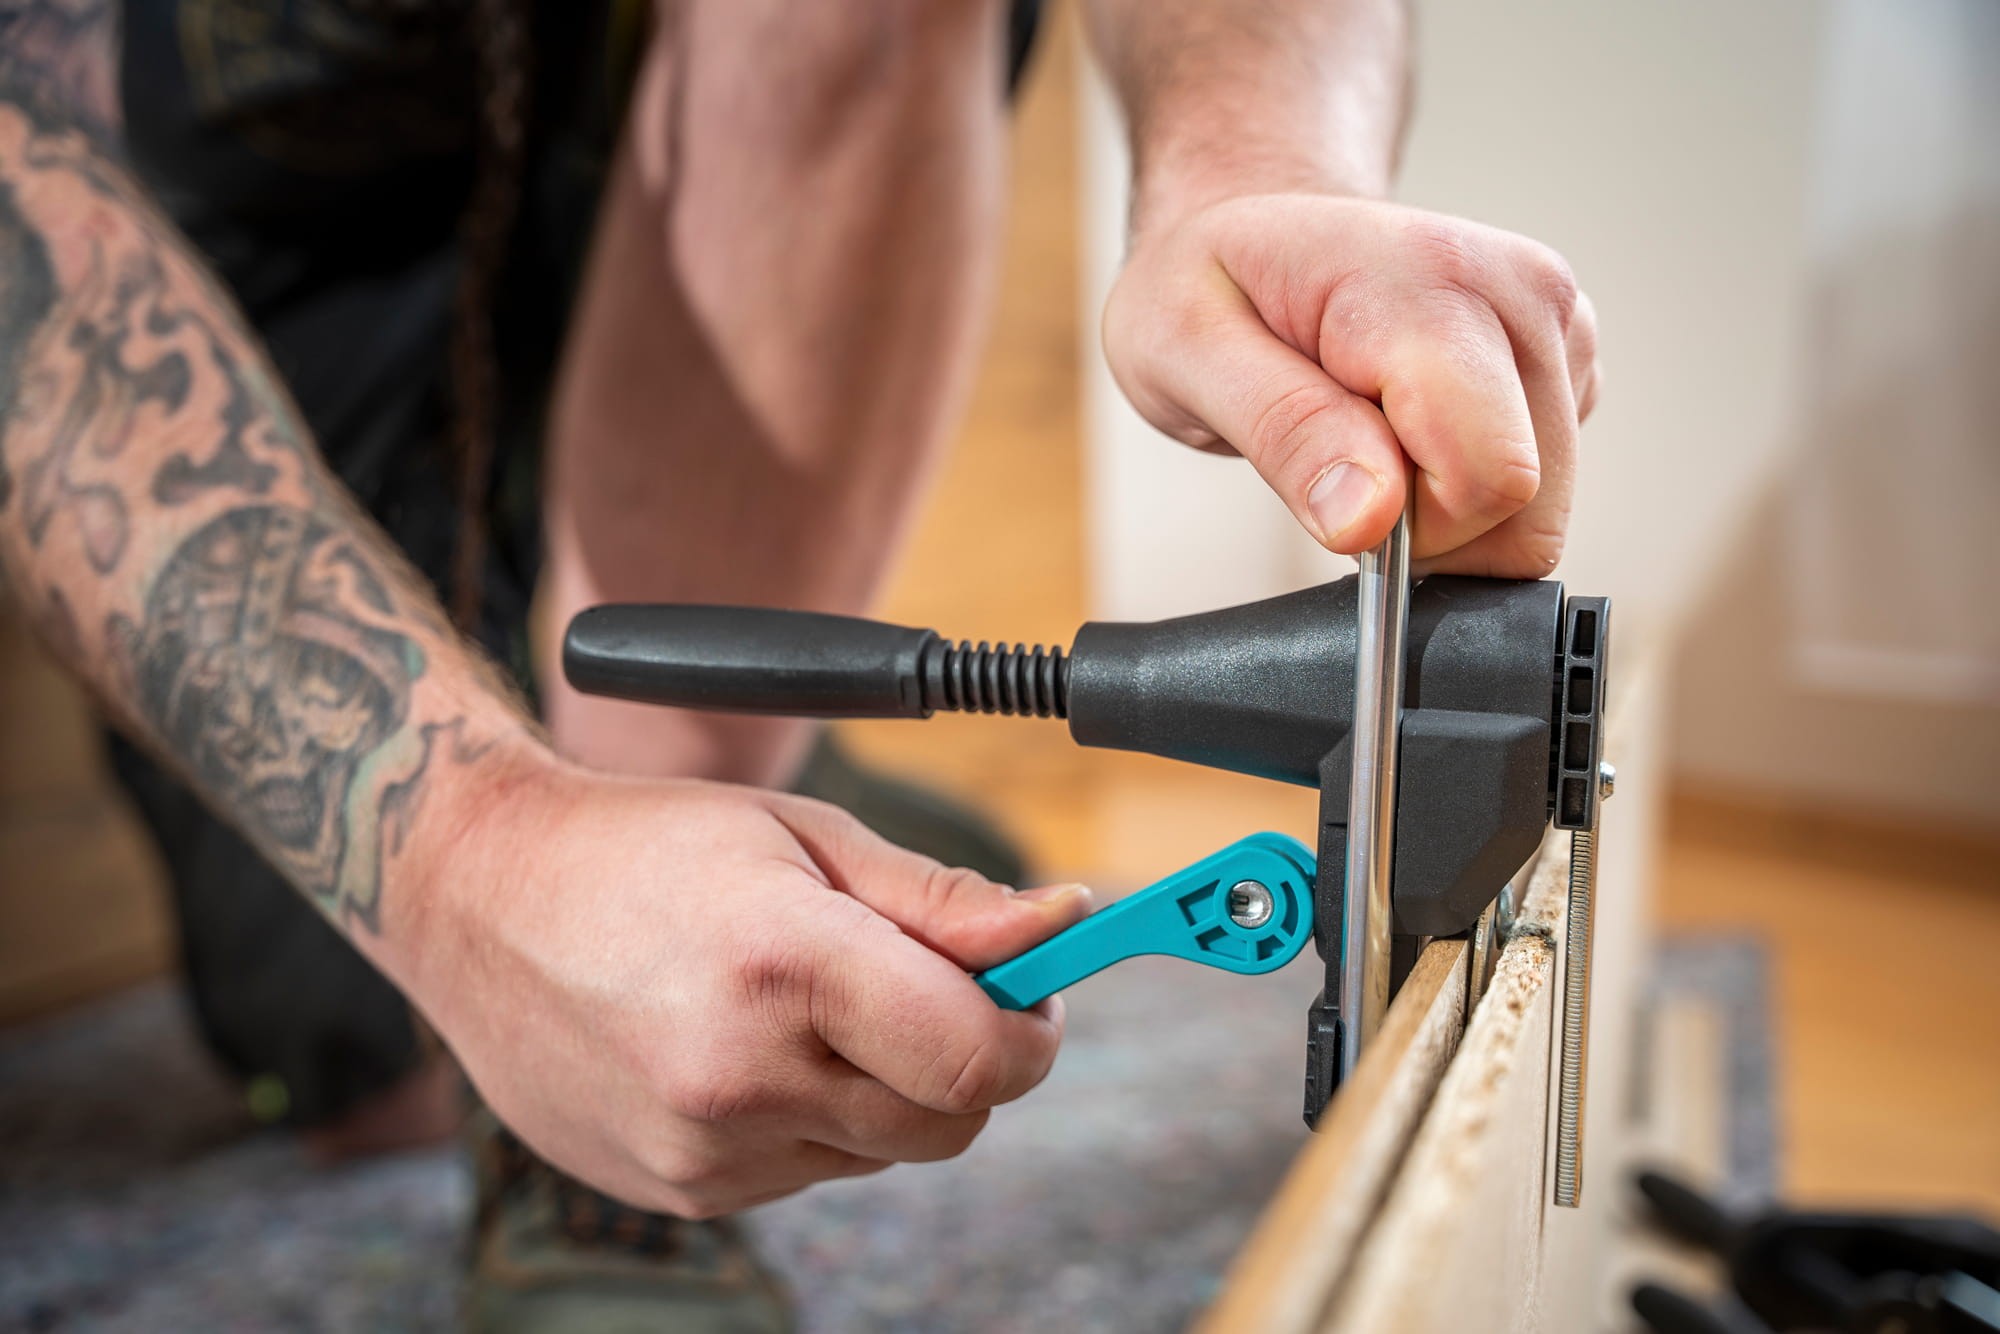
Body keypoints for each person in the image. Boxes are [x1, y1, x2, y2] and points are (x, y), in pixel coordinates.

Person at [0, 0, 1599, 1327]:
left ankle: (722, 791)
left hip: (721, 312)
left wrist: (1255, 165)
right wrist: (469, 855)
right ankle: (705, 866)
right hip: (262, 421)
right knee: (375, 1071)